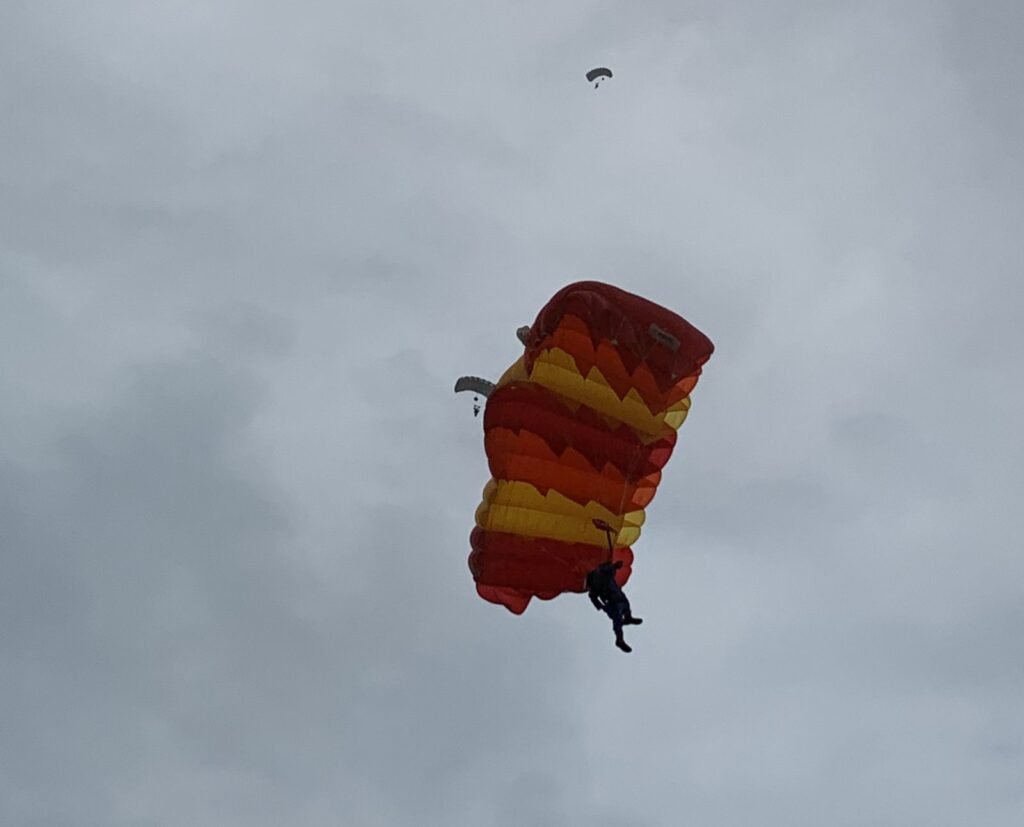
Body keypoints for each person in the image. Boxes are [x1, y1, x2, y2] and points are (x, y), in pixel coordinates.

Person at [586, 560, 642, 652]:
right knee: (617, 618)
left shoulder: (605, 572)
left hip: (617, 595)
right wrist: (600, 606)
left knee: (626, 605)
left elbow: (610, 570)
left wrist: (615, 567)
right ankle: (619, 639)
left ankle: (628, 618)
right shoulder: (595, 579)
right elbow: (592, 595)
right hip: (611, 602)